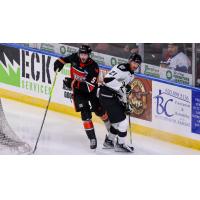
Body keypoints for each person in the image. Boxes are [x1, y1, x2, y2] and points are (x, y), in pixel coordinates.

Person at [54, 45, 111, 150]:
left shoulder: (94, 67)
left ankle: (111, 133)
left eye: (85, 54)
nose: (83, 56)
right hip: (79, 93)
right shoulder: (75, 57)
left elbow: (89, 87)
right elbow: (64, 59)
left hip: (92, 92)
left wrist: (72, 82)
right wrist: (58, 63)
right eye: (81, 54)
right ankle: (92, 139)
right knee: (85, 114)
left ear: (89, 55)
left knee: (100, 112)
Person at [99, 53, 142, 152]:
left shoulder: (131, 75)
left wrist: (126, 104)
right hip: (107, 95)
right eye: (134, 62)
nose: (135, 65)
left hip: (112, 96)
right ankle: (120, 144)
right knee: (123, 122)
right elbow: (107, 79)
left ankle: (109, 141)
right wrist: (122, 86)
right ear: (130, 61)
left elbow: (122, 91)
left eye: (138, 64)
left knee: (117, 122)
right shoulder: (121, 68)